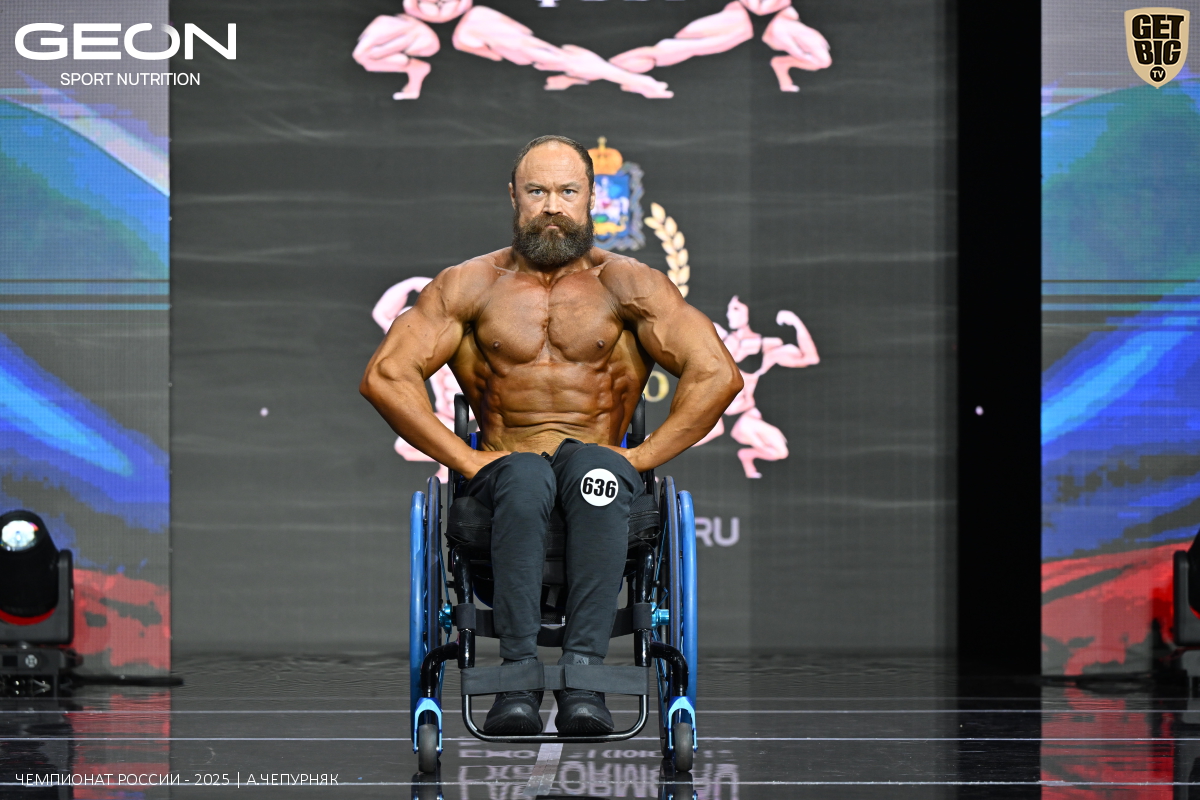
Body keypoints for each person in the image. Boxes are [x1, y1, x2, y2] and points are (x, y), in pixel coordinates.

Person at [360, 135, 742, 736]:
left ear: (591, 197)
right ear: (514, 196)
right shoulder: (469, 285)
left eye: (568, 191)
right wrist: (467, 460)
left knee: (595, 471)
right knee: (525, 473)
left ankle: (585, 681)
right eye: (537, 191)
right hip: (505, 475)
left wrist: (642, 456)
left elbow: (718, 372)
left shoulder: (630, 285)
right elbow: (386, 375)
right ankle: (515, 682)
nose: (553, 206)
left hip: (598, 470)